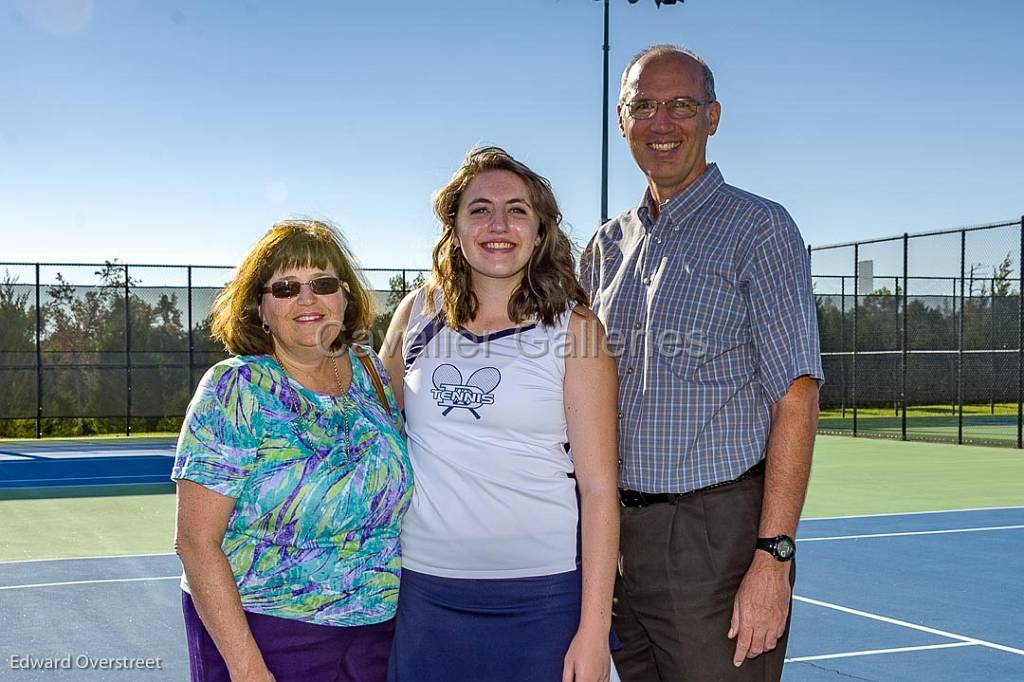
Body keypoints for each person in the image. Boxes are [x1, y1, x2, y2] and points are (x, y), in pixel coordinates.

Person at [581, 45, 823, 681]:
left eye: (682, 106)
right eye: (645, 106)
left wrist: (773, 558)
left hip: (715, 541)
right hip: (618, 544)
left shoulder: (759, 229)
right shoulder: (604, 247)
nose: (662, 123)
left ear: (713, 116)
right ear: (621, 118)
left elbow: (795, 396)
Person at [381, 147, 620, 682]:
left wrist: (593, 629)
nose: (498, 225)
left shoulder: (577, 331)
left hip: (543, 597)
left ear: (540, 231)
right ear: (455, 227)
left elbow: (600, 489)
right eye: (480, 209)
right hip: (425, 592)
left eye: (517, 210)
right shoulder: (417, 313)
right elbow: (372, 433)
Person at [172, 219, 412, 682]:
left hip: (377, 635)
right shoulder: (237, 388)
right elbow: (196, 543)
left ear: (345, 296)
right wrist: (247, 669)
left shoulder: (370, 374)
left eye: (321, 283)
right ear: (260, 308)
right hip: (265, 634)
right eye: (285, 288)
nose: (306, 299)